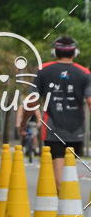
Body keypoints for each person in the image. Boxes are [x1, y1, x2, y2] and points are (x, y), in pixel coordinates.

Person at [21, 35, 91, 184]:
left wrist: (23, 123)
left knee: (58, 169)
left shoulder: (43, 70)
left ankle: (63, 200)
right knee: (70, 169)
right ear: (75, 53)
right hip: (76, 130)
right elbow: (90, 101)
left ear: (55, 52)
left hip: (52, 129)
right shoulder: (85, 72)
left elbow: (32, 101)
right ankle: (70, 202)